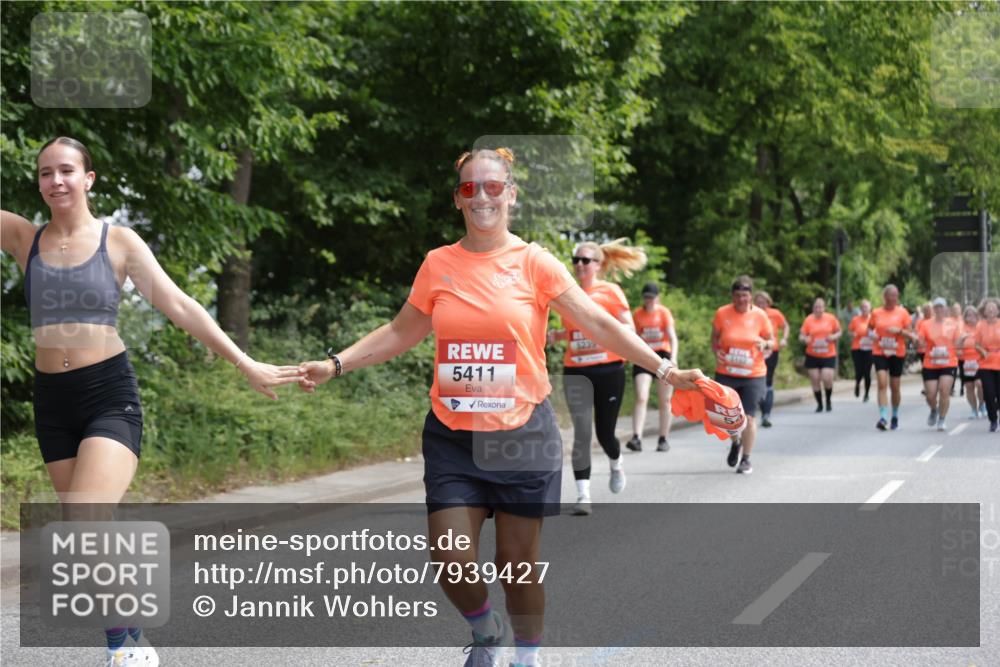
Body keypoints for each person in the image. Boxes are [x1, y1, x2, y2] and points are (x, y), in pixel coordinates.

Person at [297, 148, 704, 667]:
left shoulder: (535, 263)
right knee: (450, 559)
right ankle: (486, 631)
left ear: (511, 194)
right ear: (458, 199)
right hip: (452, 434)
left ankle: (527, 657)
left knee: (517, 567)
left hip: (521, 435)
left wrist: (666, 369)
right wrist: (336, 364)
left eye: (493, 187)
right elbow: (403, 331)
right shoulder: (438, 264)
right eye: (471, 188)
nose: (482, 196)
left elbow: (600, 325)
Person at [0, 137, 304, 667]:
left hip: (107, 396)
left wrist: (244, 362)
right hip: (52, 403)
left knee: (84, 520)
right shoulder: (25, 239)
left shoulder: (118, 242)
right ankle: (132, 623)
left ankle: (123, 649)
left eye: (67, 170)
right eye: (46, 173)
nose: (56, 181)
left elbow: (182, 306)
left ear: (89, 178)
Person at [547, 238, 647, 515]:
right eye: (576, 260)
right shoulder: (569, 293)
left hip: (608, 369)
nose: (579, 265)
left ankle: (616, 463)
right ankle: (583, 496)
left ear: (599, 265)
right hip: (576, 369)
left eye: (585, 260)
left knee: (605, 433)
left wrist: (605, 328)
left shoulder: (611, 291)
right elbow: (573, 330)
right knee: (582, 432)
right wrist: (558, 335)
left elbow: (628, 327)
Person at [711, 275, 775, 474]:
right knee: (727, 416)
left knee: (748, 417)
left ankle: (746, 459)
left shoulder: (760, 316)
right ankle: (736, 441)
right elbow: (714, 339)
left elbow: (771, 341)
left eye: (745, 296)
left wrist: (765, 344)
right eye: (738, 296)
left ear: (751, 296)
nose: (741, 300)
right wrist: (717, 351)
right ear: (732, 296)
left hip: (753, 374)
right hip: (727, 372)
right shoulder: (722, 313)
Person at [626, 282, 678, 453]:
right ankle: (636, 437)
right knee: (641, 396)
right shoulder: (638, 314)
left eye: (651, 297)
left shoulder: (663, 313)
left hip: (663, 356)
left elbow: (672, 337)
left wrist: (674, 358)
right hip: (644, 356)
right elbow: (634, 337)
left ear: (657, 298)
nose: (648, 300)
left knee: (665, 400)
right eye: (646, 297)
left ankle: (663, 438)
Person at [869, 284, 916, 430]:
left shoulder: (902, 313)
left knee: (895, 386)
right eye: (891, 295)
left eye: (896, 295)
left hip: (897, 352)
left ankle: (894, 415)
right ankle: (883, 417)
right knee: (882, 383)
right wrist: (873, 335)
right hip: (880, 351)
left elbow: (911, 335)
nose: (894, 298)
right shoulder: (876, 312)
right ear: (885, 297)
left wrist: (899, 331)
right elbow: (869, 329)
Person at [918, 298, 961, 431]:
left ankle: (942, 419)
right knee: (930, 395)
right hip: (930, 363)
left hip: (949, 362)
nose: (939, 310)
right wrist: (918, 341)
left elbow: (958, 344)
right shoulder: (925, 324)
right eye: (936, 307)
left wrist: (962, 341)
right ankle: (933, 409)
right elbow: (921, 342)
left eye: (941, 307)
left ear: (946, 309)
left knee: (944, 391)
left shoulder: (953, 324)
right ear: (933, 309)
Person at [799, 297, 842, 412]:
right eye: (816, 307)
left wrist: (833, 336)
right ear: (813, 308)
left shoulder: (831, 319)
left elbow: (839, 332)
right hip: (812, 354)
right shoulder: (809, 320)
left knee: (827, 377)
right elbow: (801, 336)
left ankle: (828, 400)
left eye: (820, 307)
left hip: (828, 354)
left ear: (824, 308)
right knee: (815, 379)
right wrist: (805, 339)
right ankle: (819, 404)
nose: (818, 309)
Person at [753, 291, 788, 428]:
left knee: (767, 381)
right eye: (758, 301)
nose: (761, 304)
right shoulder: (752, 313)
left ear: (768, 302)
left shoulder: (775, 313)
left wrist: (784, 338)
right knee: (758, 381)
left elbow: (785, 326)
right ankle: (763, 411)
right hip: (755, 352)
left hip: (772, 350)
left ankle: (766, 414)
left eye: (764, 302)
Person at [972, 298, 1000, 432]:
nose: (991, 310)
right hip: (986, 364)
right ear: (984, 312)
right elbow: (976, 344)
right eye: (988, 308)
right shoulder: (980, 325)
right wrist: (982, 350)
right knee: (989, 394)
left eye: (993, 308)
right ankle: (993, 420)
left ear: (998, 311)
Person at [958, 306, 985, 418]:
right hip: (965, 361)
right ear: (965, 317)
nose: (971, 317)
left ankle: (982, 405)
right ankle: (973, 409)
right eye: (969, 315)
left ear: (977, 316)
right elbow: (956, 347)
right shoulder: (961, 328)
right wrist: (961, 339)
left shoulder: (981, 327)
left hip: (979, 360)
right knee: (969, 386)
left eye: (974, 315)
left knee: (980, 384)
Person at [848, 300, 874, 402]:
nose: (864, 309)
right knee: (859, 370)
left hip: (870, 348)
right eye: (862, 307)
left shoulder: (873, 319)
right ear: (860, 309)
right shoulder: (855, 319)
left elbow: (878, 331)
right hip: (857, 348)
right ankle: (857, 384)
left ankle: (867, 394)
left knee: (867, 371)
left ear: (870, 308)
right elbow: (849, 331)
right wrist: (852, 334)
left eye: (866, 307)